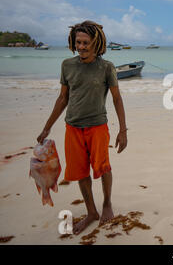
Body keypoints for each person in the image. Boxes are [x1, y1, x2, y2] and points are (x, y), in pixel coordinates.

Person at [37, 20, 127, 235]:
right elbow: (62, 98)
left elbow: (116, 98)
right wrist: (47, 127)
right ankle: (91, 212)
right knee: (79, 172)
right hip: (73, 128)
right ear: (73, 42)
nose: (82, 46)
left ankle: (106, 204)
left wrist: (122, 130)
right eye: (78, 42)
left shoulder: (107, 67)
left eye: (86, 42)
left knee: (103, 166)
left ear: (95, 44)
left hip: (97, 126)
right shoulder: (67, 65)